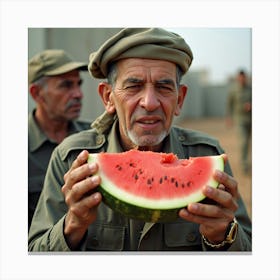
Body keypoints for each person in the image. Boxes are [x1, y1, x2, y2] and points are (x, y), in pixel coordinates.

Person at [28, 28, 252, 251]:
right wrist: (72, 227)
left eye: (164, 87)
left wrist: (223, 236)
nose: (150, 102)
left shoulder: (208, 154)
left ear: (180, 99)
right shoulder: (71, 159)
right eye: (133, 86)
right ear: (109, 98)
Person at [28, 49, 91, 230]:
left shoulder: (94, 137)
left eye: (78, 84)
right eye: (66, 85)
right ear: (37, 94)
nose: (78, 94)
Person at [226, 70, 252, 174]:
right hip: (240, 120)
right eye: (240, 77)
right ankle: (244, 164)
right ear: (238, 78)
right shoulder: (233, 90)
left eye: (243, 77)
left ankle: (246, 161)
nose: (242, 79)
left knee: (248, 142)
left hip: (250, 119)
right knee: (244, 141)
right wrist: (229, 118)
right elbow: (229, 105)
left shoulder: (250, 89)